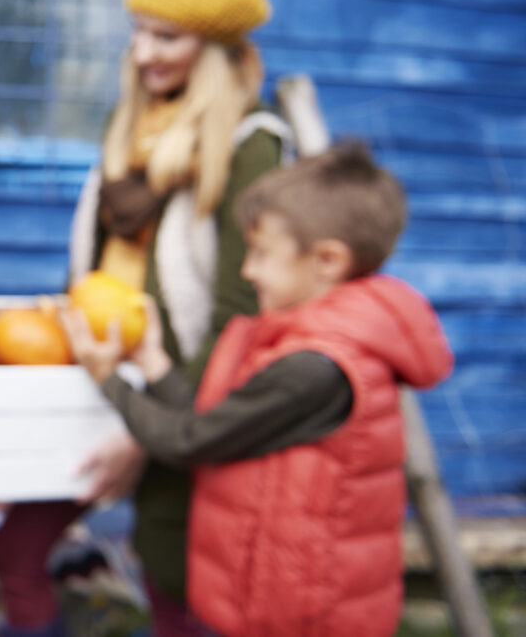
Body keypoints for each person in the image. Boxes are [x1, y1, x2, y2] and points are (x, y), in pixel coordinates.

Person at [0, 0, 293, 634]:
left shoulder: (252, 146)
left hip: (181, 397)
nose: (143, 52)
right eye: (137, 32)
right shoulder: (131, 127)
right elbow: (102, 264)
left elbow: (238, 314)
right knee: (16, 549)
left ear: (215, 46)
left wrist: (146, 430)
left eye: (167, 37)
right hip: (98, 380)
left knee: (172, 579)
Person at [62, 143, 453, 637]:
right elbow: (221, 421)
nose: (247, 271)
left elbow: (191, 440)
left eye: (262, 254)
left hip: (302, 617)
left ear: (328, 260)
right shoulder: (296, 338)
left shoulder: (317, 367)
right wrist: (156, 364)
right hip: (274, 600)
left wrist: (107, 380)